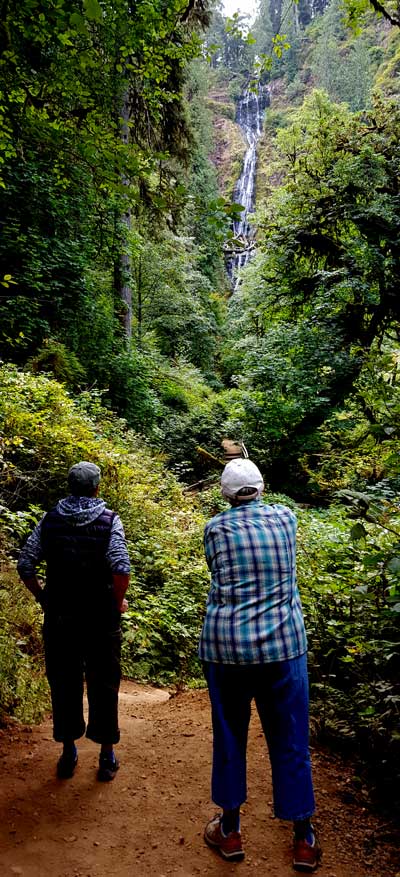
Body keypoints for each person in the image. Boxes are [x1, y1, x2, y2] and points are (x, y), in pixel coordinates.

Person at [199, 458, 321, 872]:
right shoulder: (286, 520)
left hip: (227, 649)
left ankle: (230, 830)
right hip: (283, 648)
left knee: (230, 736)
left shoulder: (215, 529)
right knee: (290, 739)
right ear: (262, 488)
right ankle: (303, 838)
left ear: (225, 495)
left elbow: (219, 570)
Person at [17, 461, 130, 782]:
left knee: (64, 681)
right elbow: (121, 567)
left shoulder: (50, 521)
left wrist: (43, 598)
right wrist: (114, 601)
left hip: (61, 618)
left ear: (70, 485)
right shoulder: (110, 521)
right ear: (97, 487)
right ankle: (106, 756)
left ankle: (69, 752)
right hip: (100, 619)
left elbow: (26, 564)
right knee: (104, 682)